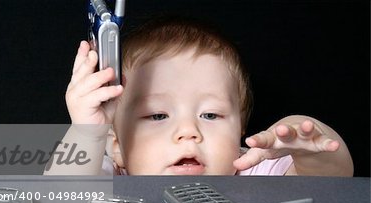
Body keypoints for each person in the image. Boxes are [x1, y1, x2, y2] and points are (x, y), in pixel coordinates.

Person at [45, 16, 353, 176]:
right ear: (118, 147)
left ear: (240, 132)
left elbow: (334, 179)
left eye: (210, 115)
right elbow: (59, 198)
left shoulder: (252, 172)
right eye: (157, 115)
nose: (188, 132)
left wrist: (303, 141)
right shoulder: (113, 174)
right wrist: (87, 131)